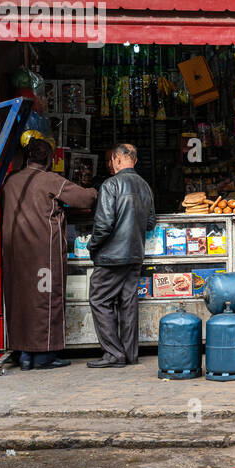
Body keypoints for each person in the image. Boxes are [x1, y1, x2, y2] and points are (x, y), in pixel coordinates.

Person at [2, 138, 98, 370]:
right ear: (48, 160)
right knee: (46, 299)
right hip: (43, 253)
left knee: (20, 302)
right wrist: (96, 189)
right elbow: (84, 198)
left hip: (14, 253)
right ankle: (44, 356)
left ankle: (24, 353)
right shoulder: (50, 180)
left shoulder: (10, 180)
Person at [86, 143, 154, 369]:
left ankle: (114, 354)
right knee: (128, 302)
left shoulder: (111, 184)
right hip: (135, 255)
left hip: (111, 258)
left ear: (116, 159)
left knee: (99, 300)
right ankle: (129, 353)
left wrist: (92, 246)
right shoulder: (145, 186)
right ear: (133, 160)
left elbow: (104, 224)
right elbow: (151, 222)